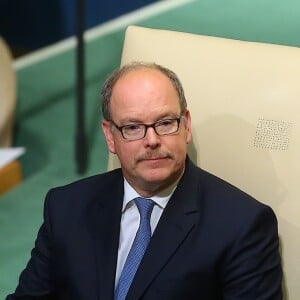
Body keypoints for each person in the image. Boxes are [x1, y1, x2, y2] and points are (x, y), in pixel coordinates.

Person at [7, 62, 282, 299]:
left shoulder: (242, 225)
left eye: (164, 123)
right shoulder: (66, 207)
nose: (152, 140)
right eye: (133, 127)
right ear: (110, 137)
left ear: (185, 125)